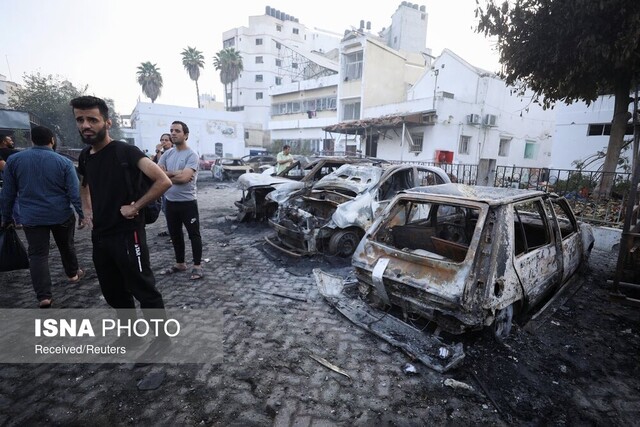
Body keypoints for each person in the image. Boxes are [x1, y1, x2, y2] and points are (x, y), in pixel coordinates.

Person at [71, 96, 171, 314]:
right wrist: (87, 210)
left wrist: (136, 207)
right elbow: (84, 183)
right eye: (80, 120)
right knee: (113, 291)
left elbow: (163, 180)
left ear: (107, 123)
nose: (85, 125)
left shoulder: (125, 152)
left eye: (92, 119)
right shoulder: (86, 156)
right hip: (100, 235)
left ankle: (162, 342)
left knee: (144, 289)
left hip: (128, 233)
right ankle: (131, 335)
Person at [0, 126, 85, 308]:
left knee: (38, 255)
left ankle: (44, 296)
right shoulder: (63, 162)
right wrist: (81, 214)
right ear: (52, 140)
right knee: (66, 246)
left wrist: (6, 217)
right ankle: (72, 274)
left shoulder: (14, 161)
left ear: (32, 140)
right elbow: (74, 192)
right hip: (61, 214)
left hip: (32, 217)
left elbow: (7, 193)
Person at [158, 120, 204, 280]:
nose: (173, 133)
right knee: (175, 234)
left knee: (194, 234)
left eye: (177, 130)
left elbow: (185, 178)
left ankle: (197, 266)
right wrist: (175, 173)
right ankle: (180, 263)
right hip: (170, 202)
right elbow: (157, 175)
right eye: (171, 130)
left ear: (186, 135)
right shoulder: (167, 154)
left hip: (188, 203)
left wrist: (167, 175)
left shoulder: (192, 155)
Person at [0, 135, 21, 226]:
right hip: (10, 179)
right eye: (10, 140)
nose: (12, 142)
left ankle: (7, 219)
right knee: (14, 199)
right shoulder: (15, 153)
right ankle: (17, 221)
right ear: (4, 142)